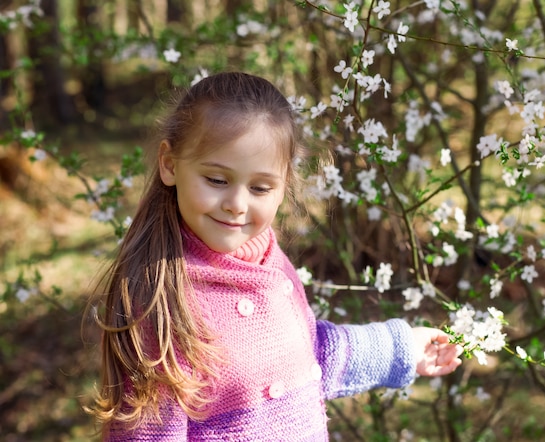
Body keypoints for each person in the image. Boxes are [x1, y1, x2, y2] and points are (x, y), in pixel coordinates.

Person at [91, 71, 463, 441]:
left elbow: (305, 355)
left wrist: (402, 347)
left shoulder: (271, 261)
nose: (237, 205)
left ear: (284, 184)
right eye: (217, 180)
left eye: (260, 187)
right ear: (170, 165)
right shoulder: (159, 297)